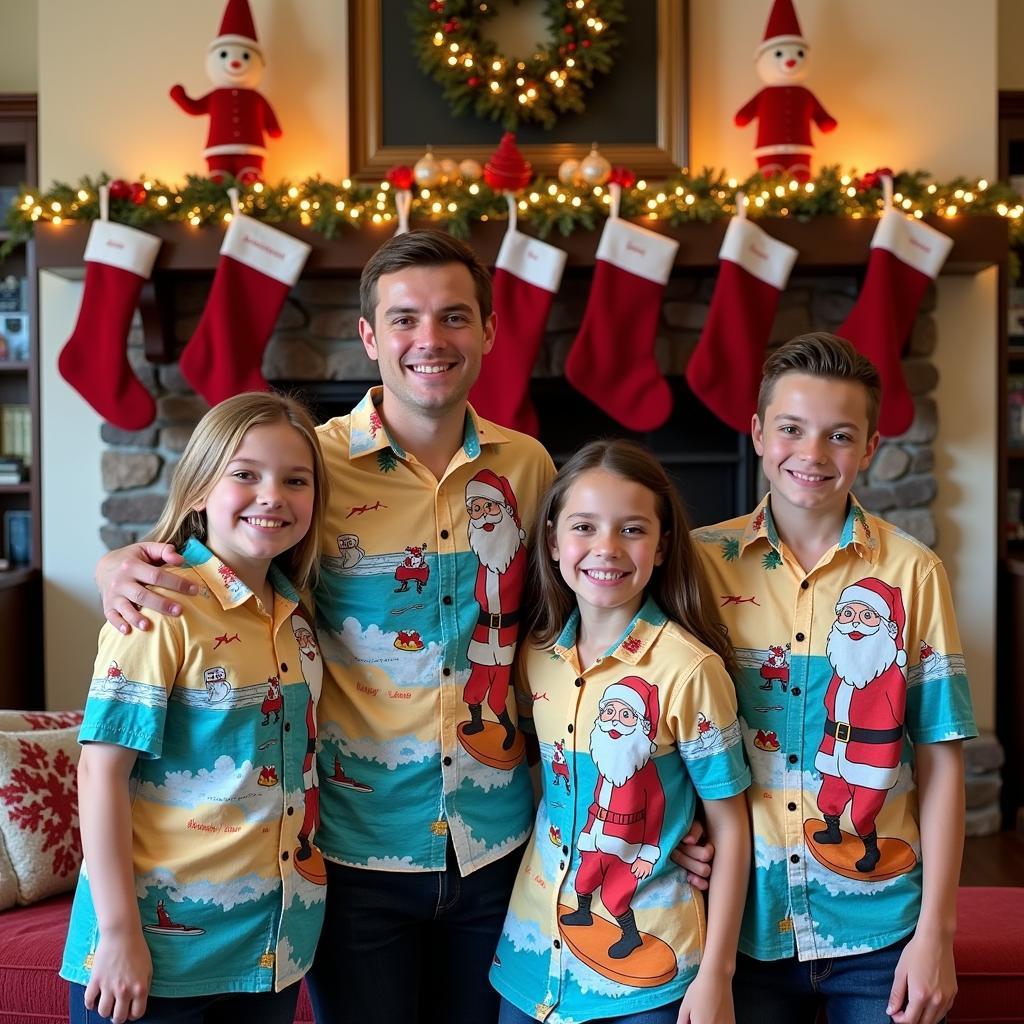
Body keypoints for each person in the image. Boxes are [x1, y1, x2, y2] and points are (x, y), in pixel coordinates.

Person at [94, 230, 714, 1024]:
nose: (431, 340)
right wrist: (121, 562)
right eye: (405, 319)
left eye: (455, 317)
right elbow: (218, 553)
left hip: (502, 847)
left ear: (489, 332)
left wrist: (675, 807)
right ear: (369, 336)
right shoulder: (304, 467)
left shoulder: (528, 468)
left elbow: (587, 629)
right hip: (353, 851)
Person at [692, 333, 977, 1024]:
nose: (812, 455)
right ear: (758, 434)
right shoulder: (699, 566)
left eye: (839, 436)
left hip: (879, 930)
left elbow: (940, 762)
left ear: (870, 447)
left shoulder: (914, 574)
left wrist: (936, 933)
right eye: (791, 429)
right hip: (739, 931)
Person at [61, 392, 331, 1024]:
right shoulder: (158, 609)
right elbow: (101, 772)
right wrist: (121, 932)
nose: (273, 496)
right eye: (246, 474)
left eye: (296, 480)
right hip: (154, 957)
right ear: (198, 488)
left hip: (270, 949)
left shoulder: (297, 619)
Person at [492, 440, 751, 1024]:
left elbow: (731, 826)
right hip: (532, 959)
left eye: (632, 530)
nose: (606, 549)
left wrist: (718, 974)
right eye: (585, 527)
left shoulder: (690, 670)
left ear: (661, 548)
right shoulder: (535, 656)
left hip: (649, 981)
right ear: (554, 540)